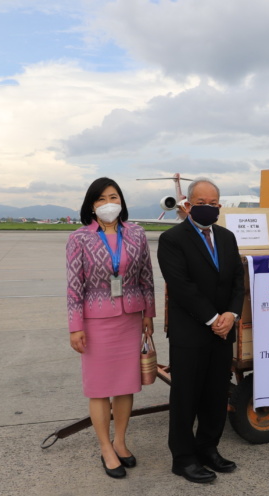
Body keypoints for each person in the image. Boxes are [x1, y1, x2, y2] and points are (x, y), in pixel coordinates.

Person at [66, 177, 156, 479]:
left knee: (126, 384)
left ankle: (120, 440)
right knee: (100, 387)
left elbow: (146, 276)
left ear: (122, 201)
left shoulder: (137, 234)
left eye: (113, 197)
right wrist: (75, 326)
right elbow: (74, 288)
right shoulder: (79, 238)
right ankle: (105, 447)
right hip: (95, 322)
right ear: (92, 205)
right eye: (101, 199)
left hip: (130, 318)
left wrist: (148, 315)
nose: (108, 204)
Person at [157, 178, 244, 484]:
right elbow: (182, 287)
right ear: (189, 205)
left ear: (219, 206)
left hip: (222, 332)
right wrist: (213, 319)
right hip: (191, 333)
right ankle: (182, 458)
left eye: (213, 203)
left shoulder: (226, 237)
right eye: (201, 203)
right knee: (186, 397)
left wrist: (232, 315)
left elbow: (237, 281)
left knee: (215, 394)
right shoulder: (172, 240)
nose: (207, 208)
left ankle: (208, 448)